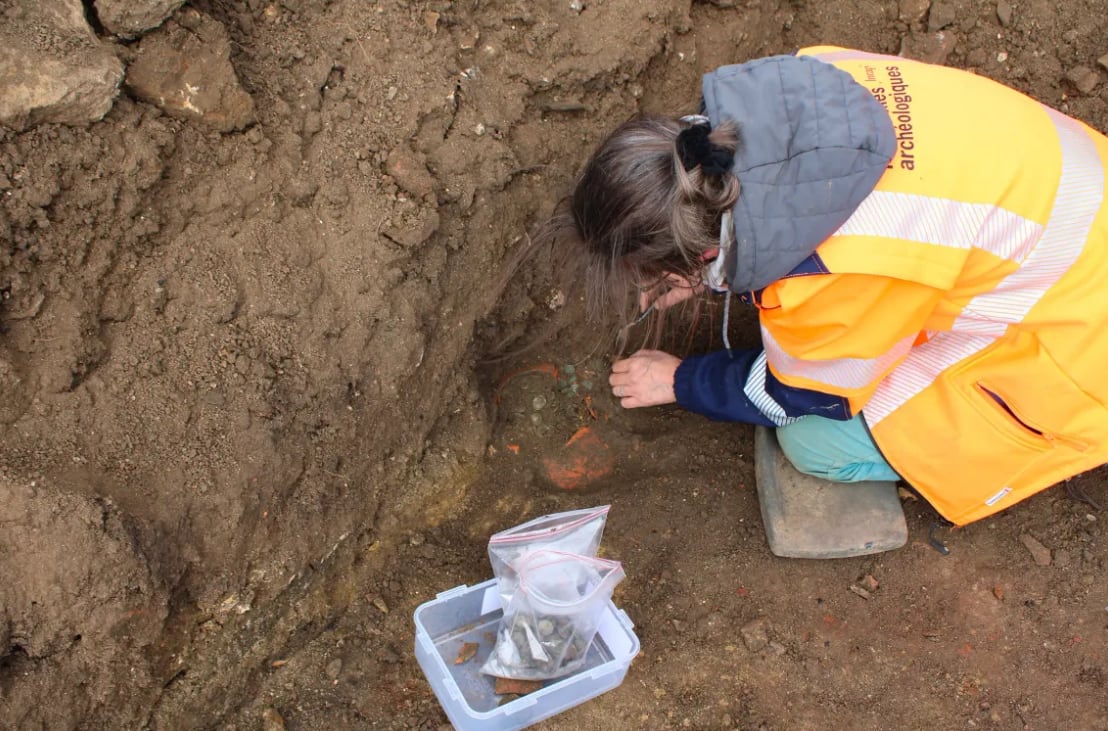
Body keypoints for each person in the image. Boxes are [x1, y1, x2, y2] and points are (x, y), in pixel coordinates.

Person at [539, 45, 1108, 527]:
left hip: (1079, 351)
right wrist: (703, 273)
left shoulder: (835, 272)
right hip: (1077, 197)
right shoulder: (798, 75)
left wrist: (684, 380)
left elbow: (802, 394)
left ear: (702, 254)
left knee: (814, 442)